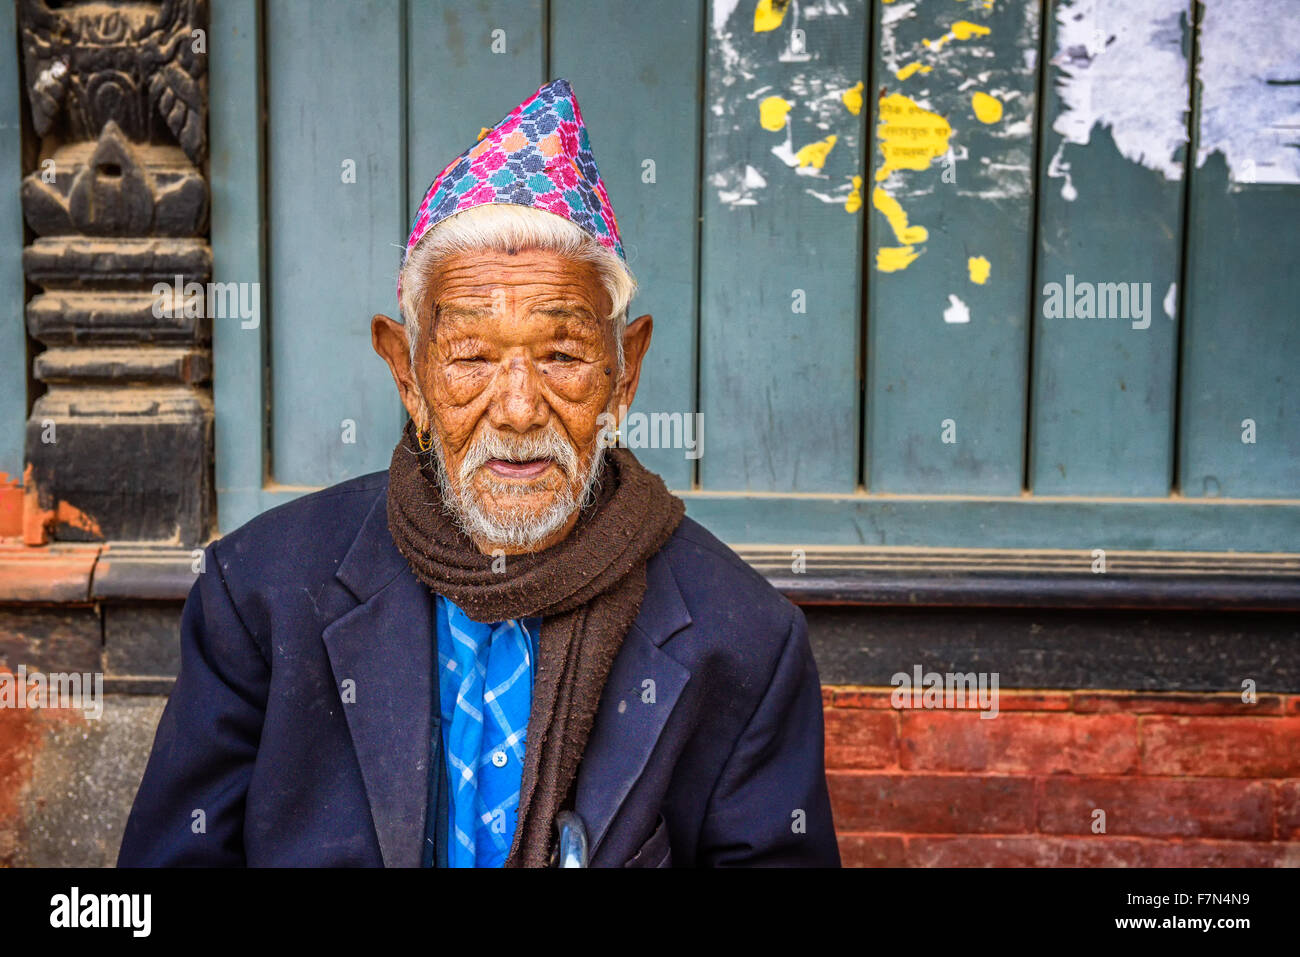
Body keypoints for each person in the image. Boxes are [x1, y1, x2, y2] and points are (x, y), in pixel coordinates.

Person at [118, 79, 839, 867]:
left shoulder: (745, 638)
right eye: (471, 357)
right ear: (408, 375)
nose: (520, 408)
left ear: (624, 375)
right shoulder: (259, 593)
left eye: (563, 354)